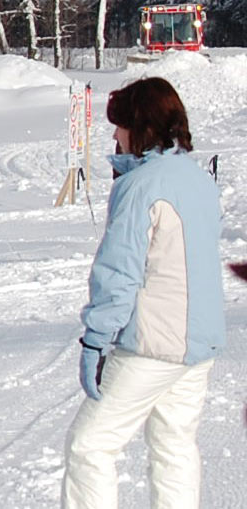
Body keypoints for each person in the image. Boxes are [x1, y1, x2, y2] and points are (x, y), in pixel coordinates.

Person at [65, 77, 224, 509]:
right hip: (199, 344)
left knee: (90, 446)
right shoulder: (198, 179)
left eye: (119, 126)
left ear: (141, 126)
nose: (114, 136)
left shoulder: (141, 187)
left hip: (154, 345)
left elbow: (120, 273)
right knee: (174, 447)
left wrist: (96, 339)